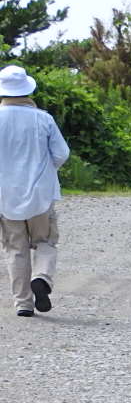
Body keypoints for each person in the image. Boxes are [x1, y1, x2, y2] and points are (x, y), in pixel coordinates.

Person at [0, 65, 69, 319]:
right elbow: (62, 153)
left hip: (6, 196)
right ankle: (41, 278)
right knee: (45, 242)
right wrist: (46, 170)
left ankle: (23, 304)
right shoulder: (43, 118)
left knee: (15, 249)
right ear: (27, 89)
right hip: (41, 195)